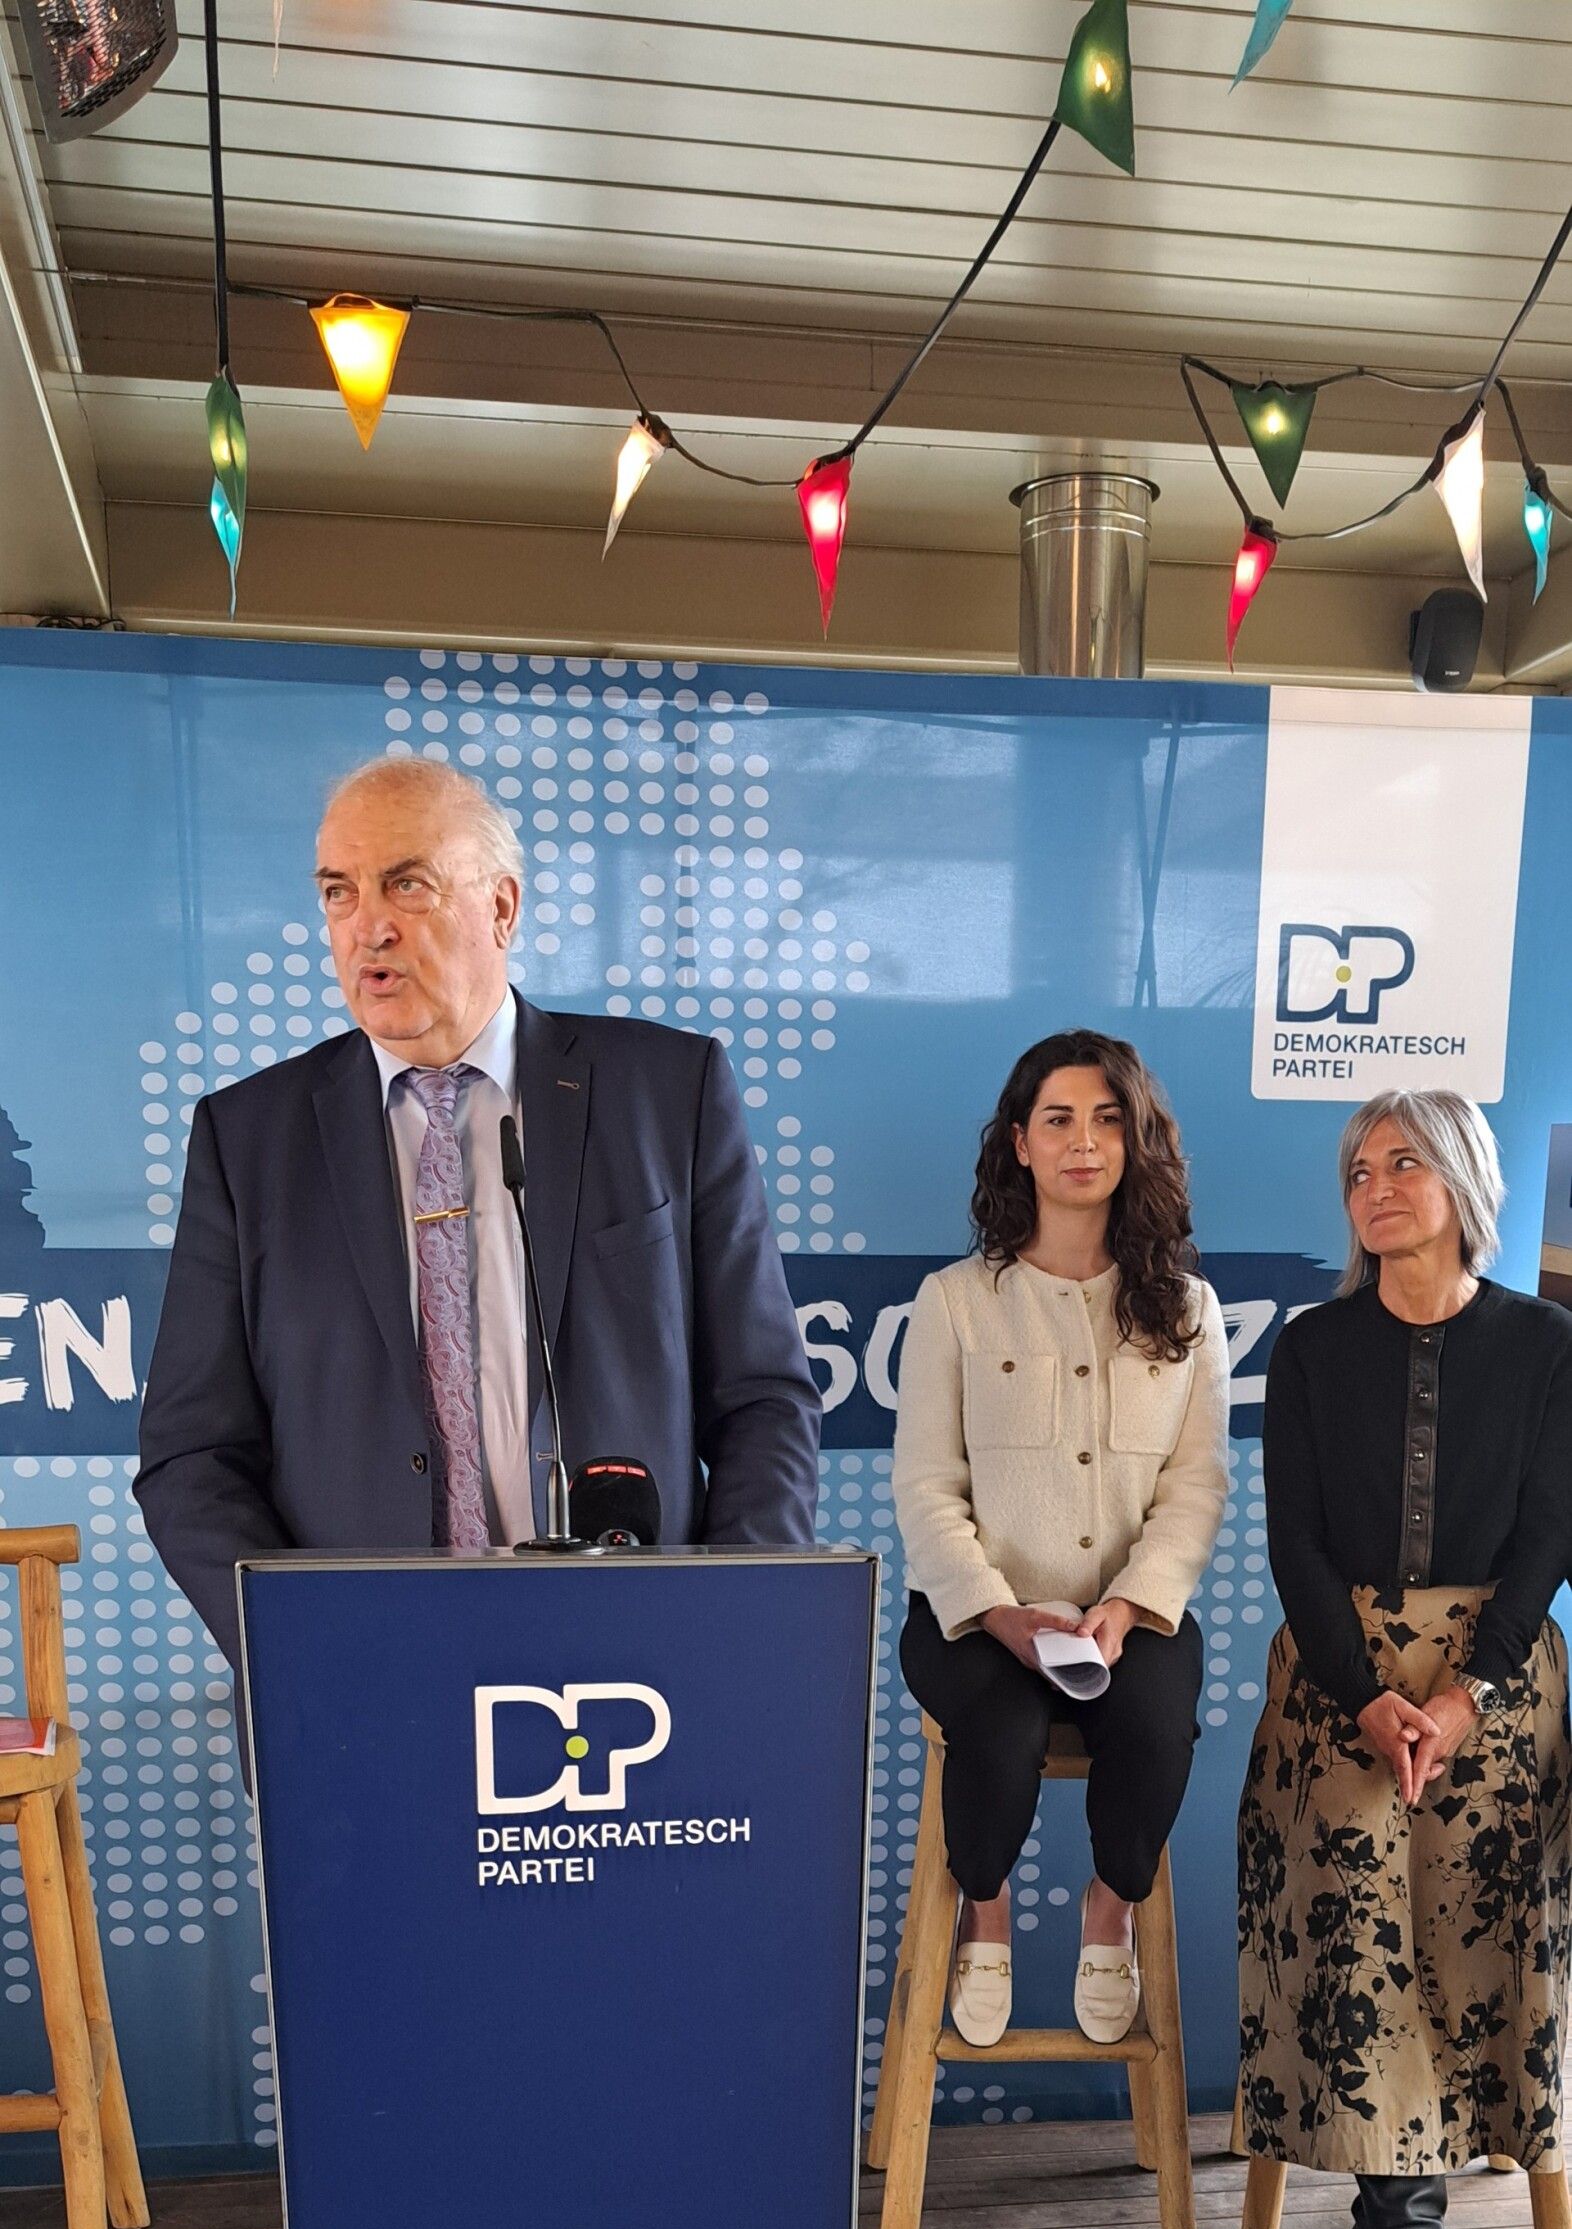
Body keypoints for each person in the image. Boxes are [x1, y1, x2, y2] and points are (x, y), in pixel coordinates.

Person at [135, 757, 820, 1674]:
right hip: (365, 1673)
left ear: (501, 907)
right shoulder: (249, 1137)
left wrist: (722, 1618)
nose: (368, 925)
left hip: (637, 1658)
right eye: (339, 892)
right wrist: (302, 1648)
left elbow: (764, 1399)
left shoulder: (668, 1093)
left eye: (406, 884)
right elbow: (192, 1453)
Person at [1239, 1090, 1572, 2229]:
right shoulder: (1314, 1348)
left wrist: (1465, 1691)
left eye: (1405, 1163)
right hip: (1343, 1678)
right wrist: (1366, 1693)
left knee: (1474, 1908)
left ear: (1464, 1181)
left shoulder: (1547, 1342)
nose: (1375, 1187)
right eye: (1359, 1170)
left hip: (1494, 1676)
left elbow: (1549, 1536)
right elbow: (1296, 1542)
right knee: (1354, 1903)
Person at [893, 1030, 1229, 2048]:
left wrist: (1124, 1607)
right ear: (1020, 1143)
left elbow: (1195, 1487)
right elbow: (926, 1488)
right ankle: (984, 1908)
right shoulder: (955, 1302)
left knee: (1158, 1731)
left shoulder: (1189, 1309)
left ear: (1138, 1139)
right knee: (999, 1738)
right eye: (1059, 1119)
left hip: (1130, 1617)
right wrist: (1003, 1615)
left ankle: (1111, 1908)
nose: (1084, 1141)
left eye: (1108, 1119)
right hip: (976, 1618)